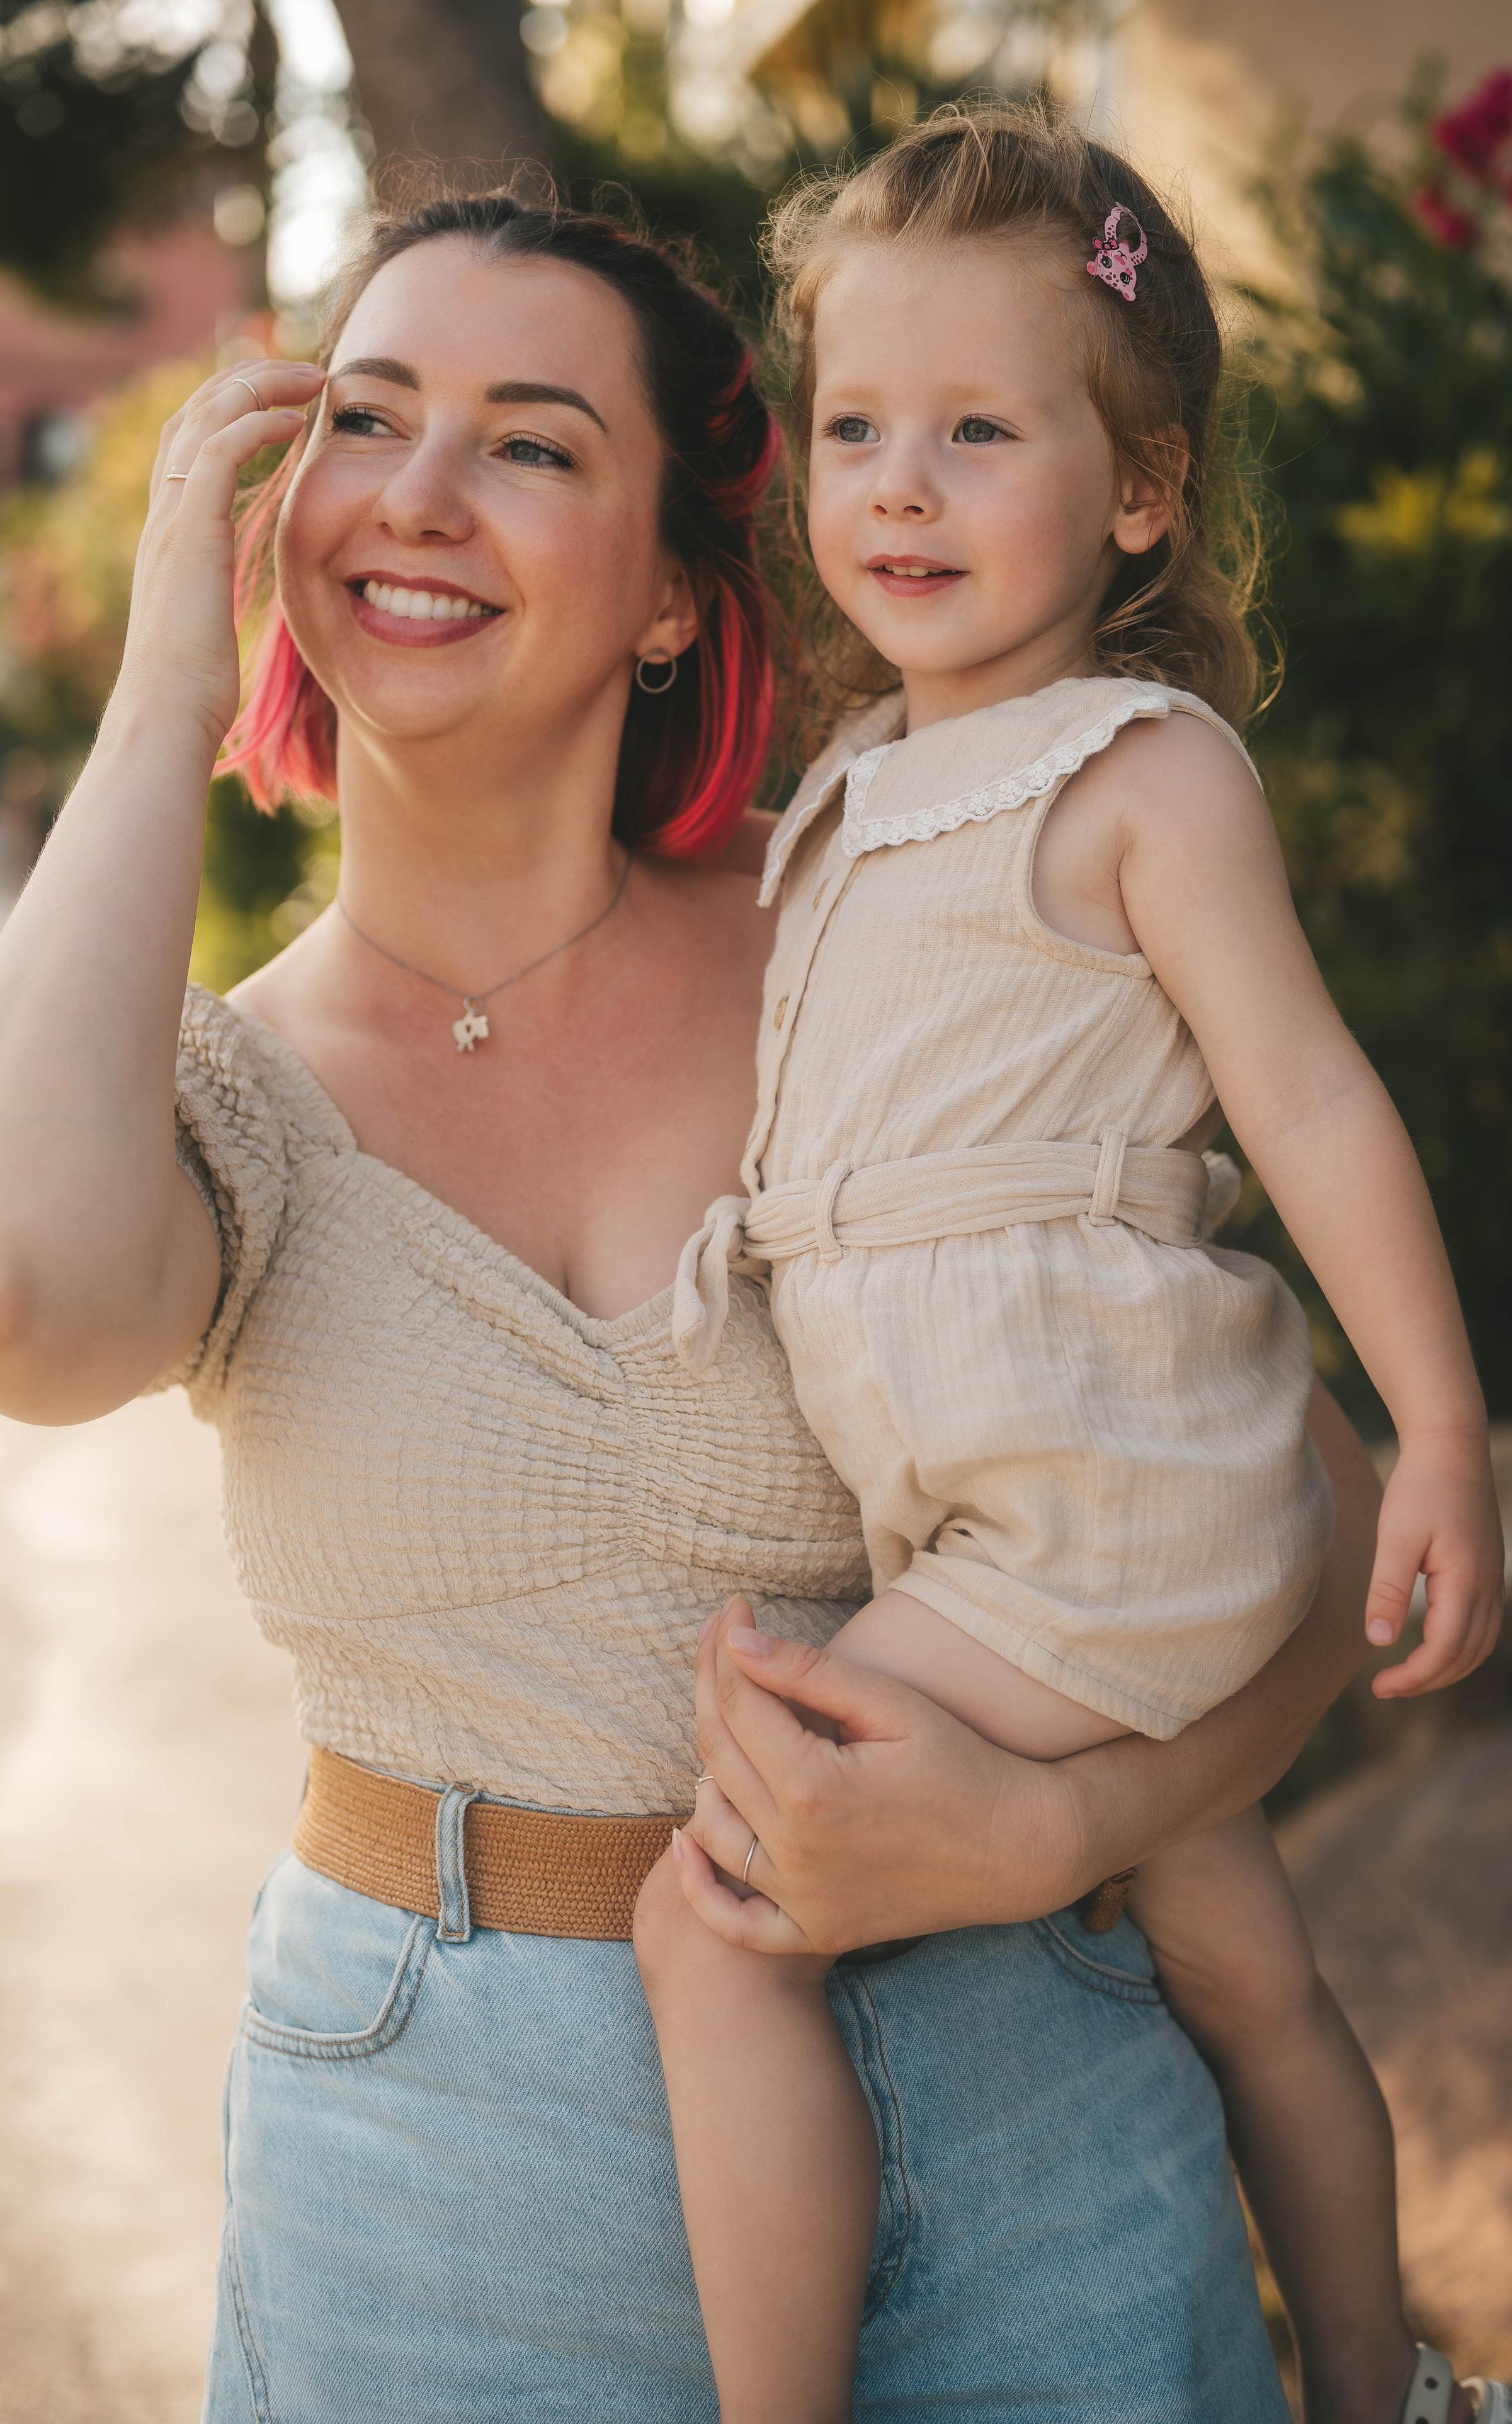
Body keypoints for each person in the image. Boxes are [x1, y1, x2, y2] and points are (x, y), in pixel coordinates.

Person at [0, 186, 1397, 2420]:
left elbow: (1314, 1514)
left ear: (686, 597)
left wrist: (1069, 1829)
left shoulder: (894, 943)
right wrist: (160, 698)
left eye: (530, 443)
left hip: (1029, 2112)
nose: (418, 495)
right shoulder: (222, 1100)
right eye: (371, 418)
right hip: (434, 2168)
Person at [637, 108, 1507, 2424]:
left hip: (1093, 1495)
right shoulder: (839, 787)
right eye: (853, 431)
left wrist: (1434, 1430)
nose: (898, 487)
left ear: (1137, 489)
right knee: (1245, 1970)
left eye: (980, 431)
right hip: (1016, 1497)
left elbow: (1311, 1100)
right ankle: (1378, 2392)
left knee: (712, 1917)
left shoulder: (1138, 772)